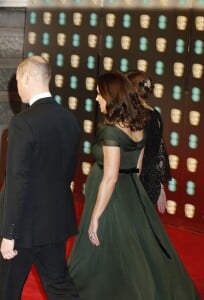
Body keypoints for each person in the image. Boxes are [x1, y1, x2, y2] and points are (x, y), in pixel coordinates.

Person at [68, 71, 200, 299]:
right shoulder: (138, 125)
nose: (97, 98)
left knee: (98, 252)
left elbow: (110, 177)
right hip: (131, 191)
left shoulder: (110, 131)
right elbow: (137, 168)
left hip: (110, 196)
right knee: (134, 251)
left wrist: (96, 216)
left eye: (99, 94)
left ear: (110, 97)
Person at [0, 55, 81, 300]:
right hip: (54, 224)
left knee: (5, 293)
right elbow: (66, 173)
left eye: (18, 80)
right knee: (60, 288)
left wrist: (9, 233)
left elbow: (18, 181)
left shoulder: (22, 123)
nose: (17, 87)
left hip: (22, 228)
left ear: (27, 78)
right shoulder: (69, 120)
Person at [127, 70, 171, 214]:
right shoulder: (155, 113)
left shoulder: (136, 116)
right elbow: (159, 148)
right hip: (150, 180)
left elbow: (139, 152)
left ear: (133, 90)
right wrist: (160, 185)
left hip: (137, 179)